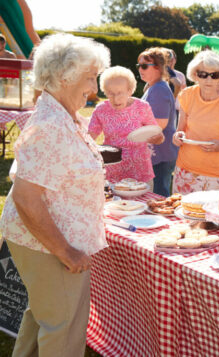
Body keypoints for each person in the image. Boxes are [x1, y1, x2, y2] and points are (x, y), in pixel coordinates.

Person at [0, 33, 110, 356]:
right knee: (62, 329)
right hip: (48, 243)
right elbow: (26, 198)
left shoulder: (61, 115)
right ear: (66, 76)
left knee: (43, 318)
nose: (95, 87)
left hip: (49, 239)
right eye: (91, 77)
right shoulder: (51, 125)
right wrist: (65, 251)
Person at [172, 50, 219, 194]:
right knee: (183, 214)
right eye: (203, 74)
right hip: (186, 171)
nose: (208, 80)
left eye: (215, 75)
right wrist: (177, 137)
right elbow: (180, 130)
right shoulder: (187, 95)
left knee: (218, 216)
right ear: (195, 75)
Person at [88, 66, 164, 184]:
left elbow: (158, 136)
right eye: (110, 93)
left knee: (143, 202)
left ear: (129, 90)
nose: (115, 98)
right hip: (112, 170)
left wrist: (157, 138)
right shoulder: (101, 109)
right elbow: (89, 138)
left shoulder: (142, 107)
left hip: (140, 170)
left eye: (120, 93)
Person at [138, 47, 179, 197]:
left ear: (158, 67)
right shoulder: (155, 87)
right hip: (160, 152)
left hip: (161, 153)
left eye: (144, 66)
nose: (140, 69)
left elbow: (158, 125)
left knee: (159, 197)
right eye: (139, 66)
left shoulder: (159, 89)